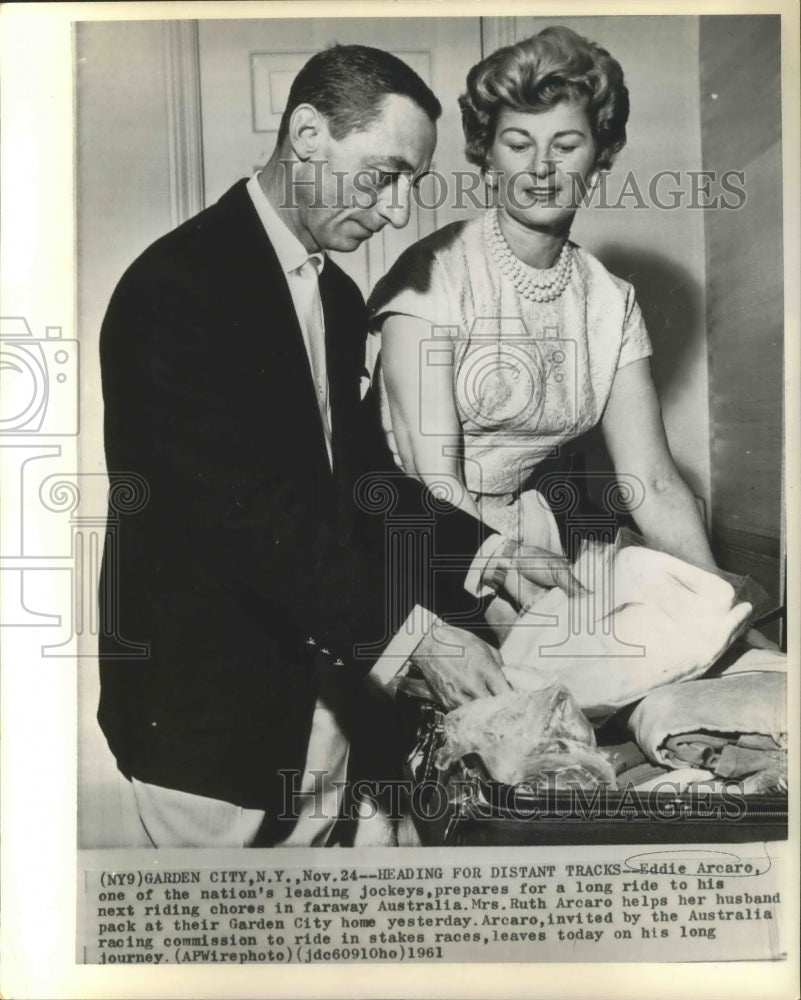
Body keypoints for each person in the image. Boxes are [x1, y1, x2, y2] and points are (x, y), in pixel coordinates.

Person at [97, 44, 567, 850]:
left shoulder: (337, 296)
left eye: (409, 186)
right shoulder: (174, 288)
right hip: (206, 721)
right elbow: (241, 515)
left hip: (321, 693)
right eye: (383, 175)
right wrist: (416, 635)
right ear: (307, 134)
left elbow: (359, 482)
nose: (394, 212)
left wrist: (486, 553)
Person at [368, 26, 718, 595]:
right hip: (415, 544)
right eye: (519, 143)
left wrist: (716, 600)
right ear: (487, 154)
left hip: (528, 538)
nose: (542, 168)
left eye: (565, 144)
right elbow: (435, 481)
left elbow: (651, 482)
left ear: (600, 154)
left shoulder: (611, 301)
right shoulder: (432, 276)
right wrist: (519, 605)